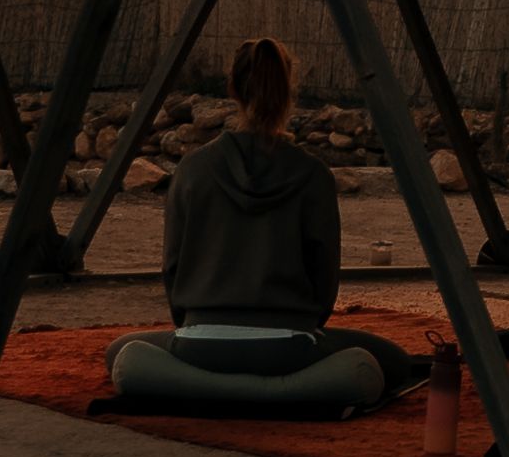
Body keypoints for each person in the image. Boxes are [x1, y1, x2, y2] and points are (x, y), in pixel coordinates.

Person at [112, 31, 397, 417]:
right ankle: (281, 392)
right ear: (289, 91)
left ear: (232, 88)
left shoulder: (192, 169)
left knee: (122, 353)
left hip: (201, 341)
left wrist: (195, 324)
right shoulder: (313, 175)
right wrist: (301, 326)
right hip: (289, 347)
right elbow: (324, 278)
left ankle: (208, 389)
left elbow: (172, 267)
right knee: (391, 361)